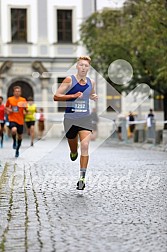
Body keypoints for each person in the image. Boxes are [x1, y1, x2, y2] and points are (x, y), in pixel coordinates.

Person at [53, 55, 98, 190]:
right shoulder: (69, 80)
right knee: (74, 150)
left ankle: (82, 178)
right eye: (81, 65)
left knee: (85, 145)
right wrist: (72, 96)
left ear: (88, 68)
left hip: (85, 118)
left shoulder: (91, 82)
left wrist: (93, 96)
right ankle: (73, 152)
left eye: (86, 66)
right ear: (77, 66)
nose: (83, 68)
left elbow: (90, 93)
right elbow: (56, 96)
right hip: (70, 119)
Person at [5, 86, 27, 157]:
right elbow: (6, 108)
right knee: (14, 130)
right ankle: (14, 141)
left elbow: (26, 109)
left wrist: (26, 112)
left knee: (20, 137)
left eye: (18, 91)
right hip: (12, 119)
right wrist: (9, 110)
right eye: (16, 91)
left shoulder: (23, 100)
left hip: (20, 120)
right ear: (13, 92)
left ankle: (17, 149)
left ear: (20, 92)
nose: (17, 92)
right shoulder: (10, 99)